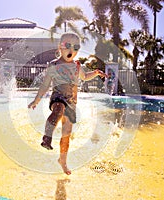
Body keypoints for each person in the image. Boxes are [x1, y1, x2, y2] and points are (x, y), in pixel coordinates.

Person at [28, 33, 107, 175]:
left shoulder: (77, 65)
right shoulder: (54, 65)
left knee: (66, 135)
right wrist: (37, 100)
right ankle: (47, 137)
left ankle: (62, 161)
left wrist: (95, 72)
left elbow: (85, 77)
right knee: (58, 110)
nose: (72, 50)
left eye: (76, 47)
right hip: (58, 98)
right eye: (68, 46)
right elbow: (45, 84)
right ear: (60, 47)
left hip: (72, 103)